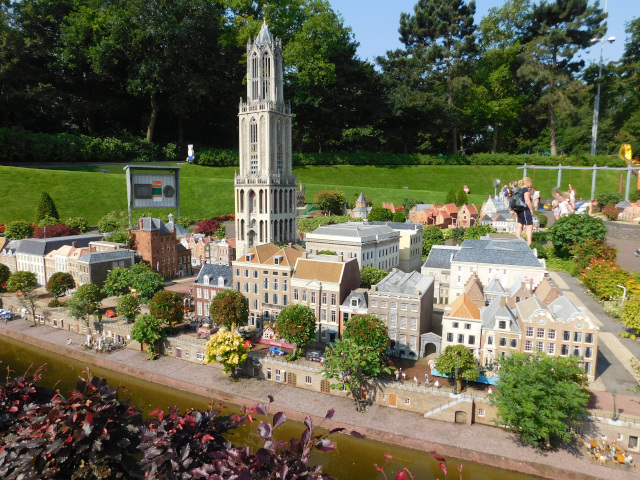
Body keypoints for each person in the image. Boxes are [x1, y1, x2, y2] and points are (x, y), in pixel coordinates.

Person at [514, 177, 534, 246]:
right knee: (529, 225)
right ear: (528, 183)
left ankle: (517, 239)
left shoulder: (519, 190)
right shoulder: (525, 190)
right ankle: (529, 242)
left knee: (520, 224)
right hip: (525, 210)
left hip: (519, 210)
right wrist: (531, 209)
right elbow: (527, 200)